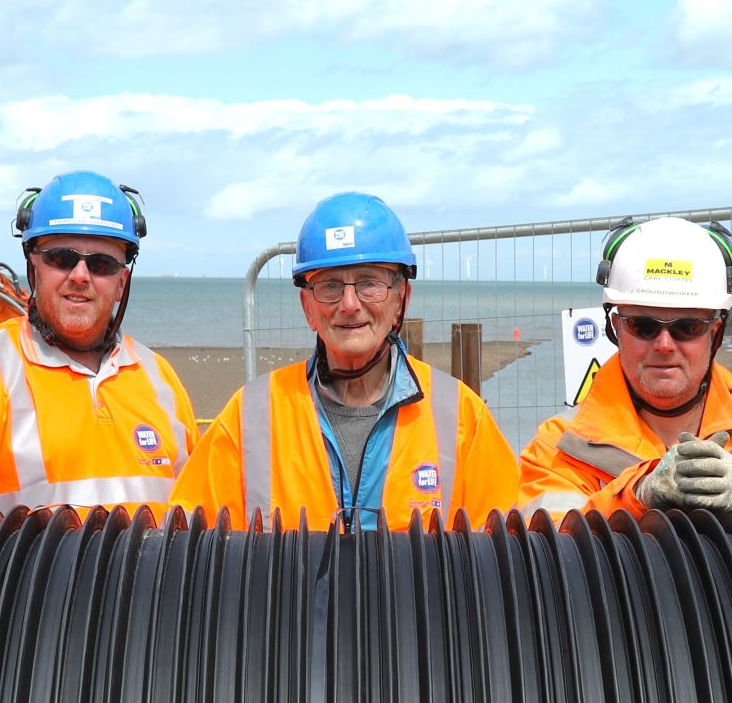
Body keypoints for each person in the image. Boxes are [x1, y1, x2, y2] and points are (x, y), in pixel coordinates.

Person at [172, 192, 519, 528]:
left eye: (370, 283)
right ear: (307, 307)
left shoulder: (461, 418)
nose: (350, 304)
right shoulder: (248, 418)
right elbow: (189, 549)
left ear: (402, 299)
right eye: (329, 286)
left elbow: (507, 557)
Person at [0, 170, 197, 510]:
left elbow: (196, 514)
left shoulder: (160, 380)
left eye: (102, 264)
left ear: (121, 282)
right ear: (33, 267)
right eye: (62, 259)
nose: (80, 276)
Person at [518, 215, 732, 514]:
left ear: (715, 333)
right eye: (643, 326)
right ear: (616, 328)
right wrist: (636, 494)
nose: (664, 344)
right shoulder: (559, 449)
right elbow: (545, 555)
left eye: (687, 327)